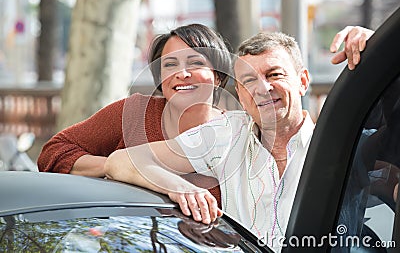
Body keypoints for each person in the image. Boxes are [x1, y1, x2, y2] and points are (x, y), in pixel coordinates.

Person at [104, 28, 375, 251]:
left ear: (303, 81)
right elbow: (120, 162)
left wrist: (379, 48)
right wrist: (177, 186)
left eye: (274, 74)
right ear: (240, 95)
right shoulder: (225, 135)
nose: (262, 88)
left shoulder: (346, 145)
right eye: (248, 81)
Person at [37, 24, 234, 205]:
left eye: (195, 63)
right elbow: (53, 152)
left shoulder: (235, 135)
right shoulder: (134, 113)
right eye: (170, 64)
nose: (182, 74)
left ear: (218, 75)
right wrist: (122, 167)